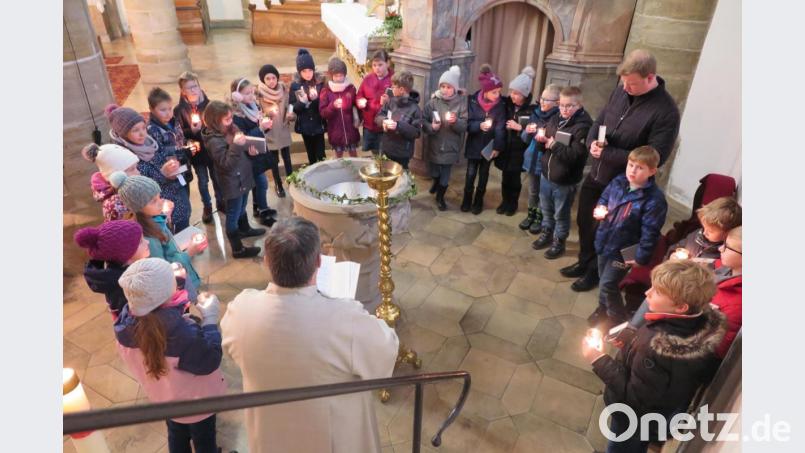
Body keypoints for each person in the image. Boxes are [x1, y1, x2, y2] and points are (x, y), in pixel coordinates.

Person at [221, 217, 399, 453]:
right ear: (318, 262)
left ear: (266, 261)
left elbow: (232, 350)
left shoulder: (241, 311)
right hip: (331, 437)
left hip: (272, 433)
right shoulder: (344, 318)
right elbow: (386, 353)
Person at [563, 49, 681, 292]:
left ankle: (595, 272)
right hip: (597, 174)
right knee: (585, 220)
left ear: (651, 78)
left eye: (632, 84)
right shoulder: (622, 89)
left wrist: (606, 153)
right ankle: (584, 262)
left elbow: (654, 156)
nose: (625, 88)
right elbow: (601, 119)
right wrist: (592, 141)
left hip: (624, 185)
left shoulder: (666, 111)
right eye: (623, 82)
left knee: (607, 230)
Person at [583, 260, 726, 453]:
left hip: (633, 418)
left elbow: (634, 398)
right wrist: (631, 344)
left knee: (622, 447)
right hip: (656, 415)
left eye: (657, 292)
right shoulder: (699, 323)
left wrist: (598, 359)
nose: (647, 293)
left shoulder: (656, 348)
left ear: (681, 307)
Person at [115, 258, 227, 453]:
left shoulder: (125, 328)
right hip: (197, 403)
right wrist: (209, 319)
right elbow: (210, 359)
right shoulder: (183, 335)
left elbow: (159, 313)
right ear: (168, 294)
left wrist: (173, 283)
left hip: (165, 399)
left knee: (176, 434)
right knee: (204, 440)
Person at [589, 146, 668, 328]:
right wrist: (600, 209)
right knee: (603, 279)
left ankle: (618, 320)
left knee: (609, 284)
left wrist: (640, 257)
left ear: (652, 171)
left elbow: (650, 232)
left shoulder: (654, 200)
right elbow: (604, 198)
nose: (632, 170)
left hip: (624, 251)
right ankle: (602, 308)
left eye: (640, 167)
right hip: (604, 240)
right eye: (631, 165)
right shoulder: (618, 181)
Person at [109, 172, 204, 295]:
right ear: (138, 207)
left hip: (181, 277)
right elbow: (163, 268)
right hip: (175, 287)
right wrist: (190, 251)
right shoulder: (148, 237)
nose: (160, 202)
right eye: (153, 201)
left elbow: (167, 244)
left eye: (159, 197)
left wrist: (165, 217)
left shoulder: (154, 219)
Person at [530, 86, 592, 259]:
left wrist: (553, 145)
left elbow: (576, 156)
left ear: (579, 105)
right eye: (562, 105)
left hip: (564, 181)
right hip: (546, 174)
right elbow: (546, 143)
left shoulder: (583, 127)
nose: (564, 109)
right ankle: (547, 233)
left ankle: (559, 242)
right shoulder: (556, 117)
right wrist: (542, 141)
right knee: (546, 209)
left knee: (561, 214)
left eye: (569, 106)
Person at [202, 100, 266, 258]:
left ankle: (244, 229)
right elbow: (226, 164)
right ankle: (237, 249)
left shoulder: (232, 128)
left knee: (243, 205)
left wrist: (249, 151)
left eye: (231, 117)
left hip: (243, 176)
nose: (231, 121)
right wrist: (237, 146)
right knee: (233, 213)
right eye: (227, 119)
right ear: (215, 121)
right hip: (232, 182)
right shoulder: (214, 141)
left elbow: (240, 150)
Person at [74, 220, 151, 320]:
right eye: (140, 242)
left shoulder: (123, 272)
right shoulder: (126, 289)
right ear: (125, 254)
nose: (148, 242)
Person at [142, 89, 195, 232]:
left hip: (183, 171)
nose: (168, 113)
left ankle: (185, 233)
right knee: (177, 212)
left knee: (185, 204)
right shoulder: (152, 131)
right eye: (162, 110)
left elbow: (180, 139)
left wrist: (188, 146)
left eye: (170, 108)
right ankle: (180, 239)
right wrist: (180, 153)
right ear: (152, 110)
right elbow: (159, 156)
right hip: (170, 178)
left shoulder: (174, 122)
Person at [174, 71, 222, 224]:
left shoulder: (209, 105)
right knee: (202, 181)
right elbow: (179, 132)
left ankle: (221, 202)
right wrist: (192, 131)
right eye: (189, 88)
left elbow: (217, 125)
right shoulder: (179, 110)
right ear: (183, 91)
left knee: (217, 178)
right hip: (197, 153)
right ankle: (207, 206)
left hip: (212, 150)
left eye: (195, 86)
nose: (194, 90)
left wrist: (206, 128)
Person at [229, 77, 278, 227]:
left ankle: (258, 207)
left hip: (258, 151)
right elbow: (244, 136)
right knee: (262, 183)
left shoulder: (253, 106)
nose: (251, 96)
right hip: (248, 155)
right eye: (247, 93)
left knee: (260, 183)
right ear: (236, 96)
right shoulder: (236, 115)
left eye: (252, 92)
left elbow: (260, 126)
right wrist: (261, 129)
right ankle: (263, 211)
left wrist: (267, 123)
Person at [422, 65, 468, 210]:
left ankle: (440, 197)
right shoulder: (433, 102)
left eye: (449, 87)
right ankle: (435, 181)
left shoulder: (461, 103)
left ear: (455, 88)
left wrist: (456, 122)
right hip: (436, 143)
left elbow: (465, 125)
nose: (445, 90)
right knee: (435, 169)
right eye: (443, 86)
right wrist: (431, 127)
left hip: (451, 145)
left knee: (446, 173)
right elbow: (423, 120)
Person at [463, 64, 506, 214]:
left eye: (499, 92)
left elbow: (501, 128)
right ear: (486, 91)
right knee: (470, 174)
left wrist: (497, 147)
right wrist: (478, 126)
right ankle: (467, 199)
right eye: (494, 92)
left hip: (489, 146)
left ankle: (478, 201)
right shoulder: (473, 102)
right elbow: (467, 124)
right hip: (474, 145)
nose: (498, 95)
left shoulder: (500, 106)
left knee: (484, 176)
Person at [494, 66, 536, 216]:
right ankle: (504, 202)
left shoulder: (532, 110)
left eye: (516, 93)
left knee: (515, 180)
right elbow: (491, 96)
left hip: (519, 151)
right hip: (506, 149)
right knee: (505, 178)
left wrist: (520, 128)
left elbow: (533, 132)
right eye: (511, 92)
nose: (512, 95)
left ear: (524, 95)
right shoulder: (507, 104)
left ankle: (513, 203)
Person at [519, 84, 561, 234]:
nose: (542, 102)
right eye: (541, 98)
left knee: (544, 194)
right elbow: (524, 139)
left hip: (545, 162)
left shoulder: (557, 119)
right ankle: (530, 216)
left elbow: (557, 143)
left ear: (557, 103)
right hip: (531, 159)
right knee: (532, 191)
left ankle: (540, 219)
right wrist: (527, 132)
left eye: (547, 100)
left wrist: (546, 139)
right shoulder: (535, 114)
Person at [664, 196, 741, 261]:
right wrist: (672, 254)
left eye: (710, 231)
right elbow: (677, 246)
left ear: (727, 233)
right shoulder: (696, 235)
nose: (704, 232)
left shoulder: (722, 255)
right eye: (704, 227)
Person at [257, 63, 294, 198]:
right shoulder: (259, 95)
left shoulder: (283, 90)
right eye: (268, 78)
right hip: (271, 132)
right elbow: (258, 114)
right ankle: (278, 184)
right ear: (263, 80)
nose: (271, 81)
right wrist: (266, 118)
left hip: (283, 128)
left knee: (287, 157)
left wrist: (290, 115)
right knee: (274, 161)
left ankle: (291, 180)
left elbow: (289, 106)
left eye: (273, 78)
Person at [374, 70, 422, 170]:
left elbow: (416, 133)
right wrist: (384, 121)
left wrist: (398, 126)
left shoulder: (415, 109)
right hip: (386, 148)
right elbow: (378, 117)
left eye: (393, 86)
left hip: (402, 153)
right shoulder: (390, 102)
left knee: (400, 179)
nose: (391, 88)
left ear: (401, 90)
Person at [82, 143, 140, 221]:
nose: (138, 172)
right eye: (132, 169)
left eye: (136, 167)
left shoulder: (131, 188)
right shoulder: (115, 206)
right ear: (115, 175)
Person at [290, 48, 327, 164]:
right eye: (304, 71)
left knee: (321, 155)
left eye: (310, 70)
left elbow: (325, 104)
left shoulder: (320, 83)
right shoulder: (295, 86)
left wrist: (316, 100)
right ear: (299, 72)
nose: (308, 74)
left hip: (318, 124)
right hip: (305, 126)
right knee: (311, 155)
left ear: (313, 69)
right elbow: (293, 107)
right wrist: (303, 102)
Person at [319, 57, 361, 158]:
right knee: (338, 156)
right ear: (331, 75)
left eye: (341, 75)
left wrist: (358, 116)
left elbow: (356, 105)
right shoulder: (326, 91)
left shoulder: (350, 88)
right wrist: (332, 106)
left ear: (345, 74)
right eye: (336, 76)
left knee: (353, 153)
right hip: (335, 130)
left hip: (350, 129)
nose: (339, 78)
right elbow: (323, 112)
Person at [356, 49, 394, 155]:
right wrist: (361, 102)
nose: (377, 68)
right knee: (375, 152)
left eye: (380, 65)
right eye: (374, 65)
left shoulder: (394, 80)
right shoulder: (368, 79)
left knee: (385, 154)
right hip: (369, 124)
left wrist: (389, 101)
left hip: (384, 126)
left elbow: (400, 101)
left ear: (387, 63)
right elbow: (359, 95)